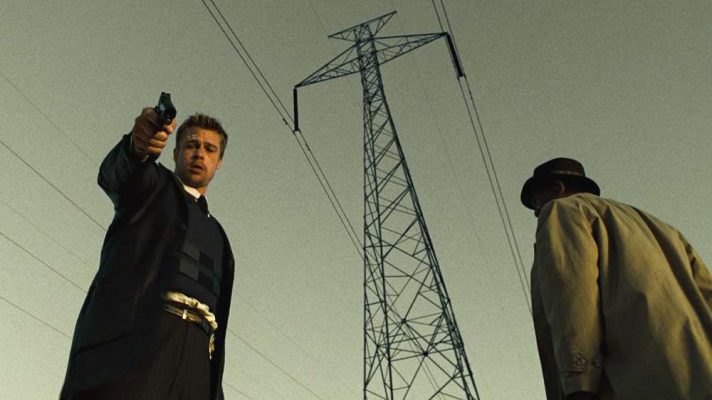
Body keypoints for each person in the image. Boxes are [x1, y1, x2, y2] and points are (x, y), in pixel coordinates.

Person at [60, 106, 236, 399]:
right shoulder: (151, 187)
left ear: (219, 162)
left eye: (209, 149)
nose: (199, 154)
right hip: (142, 341)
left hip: (198, 360)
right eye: (191, 145)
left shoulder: (220, 237)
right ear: (175, 152)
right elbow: (120, 174)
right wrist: (136, 146)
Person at [520, 157, 712, 400]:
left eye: (537, 203)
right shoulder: (664, 230)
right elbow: (707, 294)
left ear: (558, 189)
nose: (537, 212)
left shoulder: (563, 210)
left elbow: (572, 298)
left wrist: (579, 382)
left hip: (635, 383)